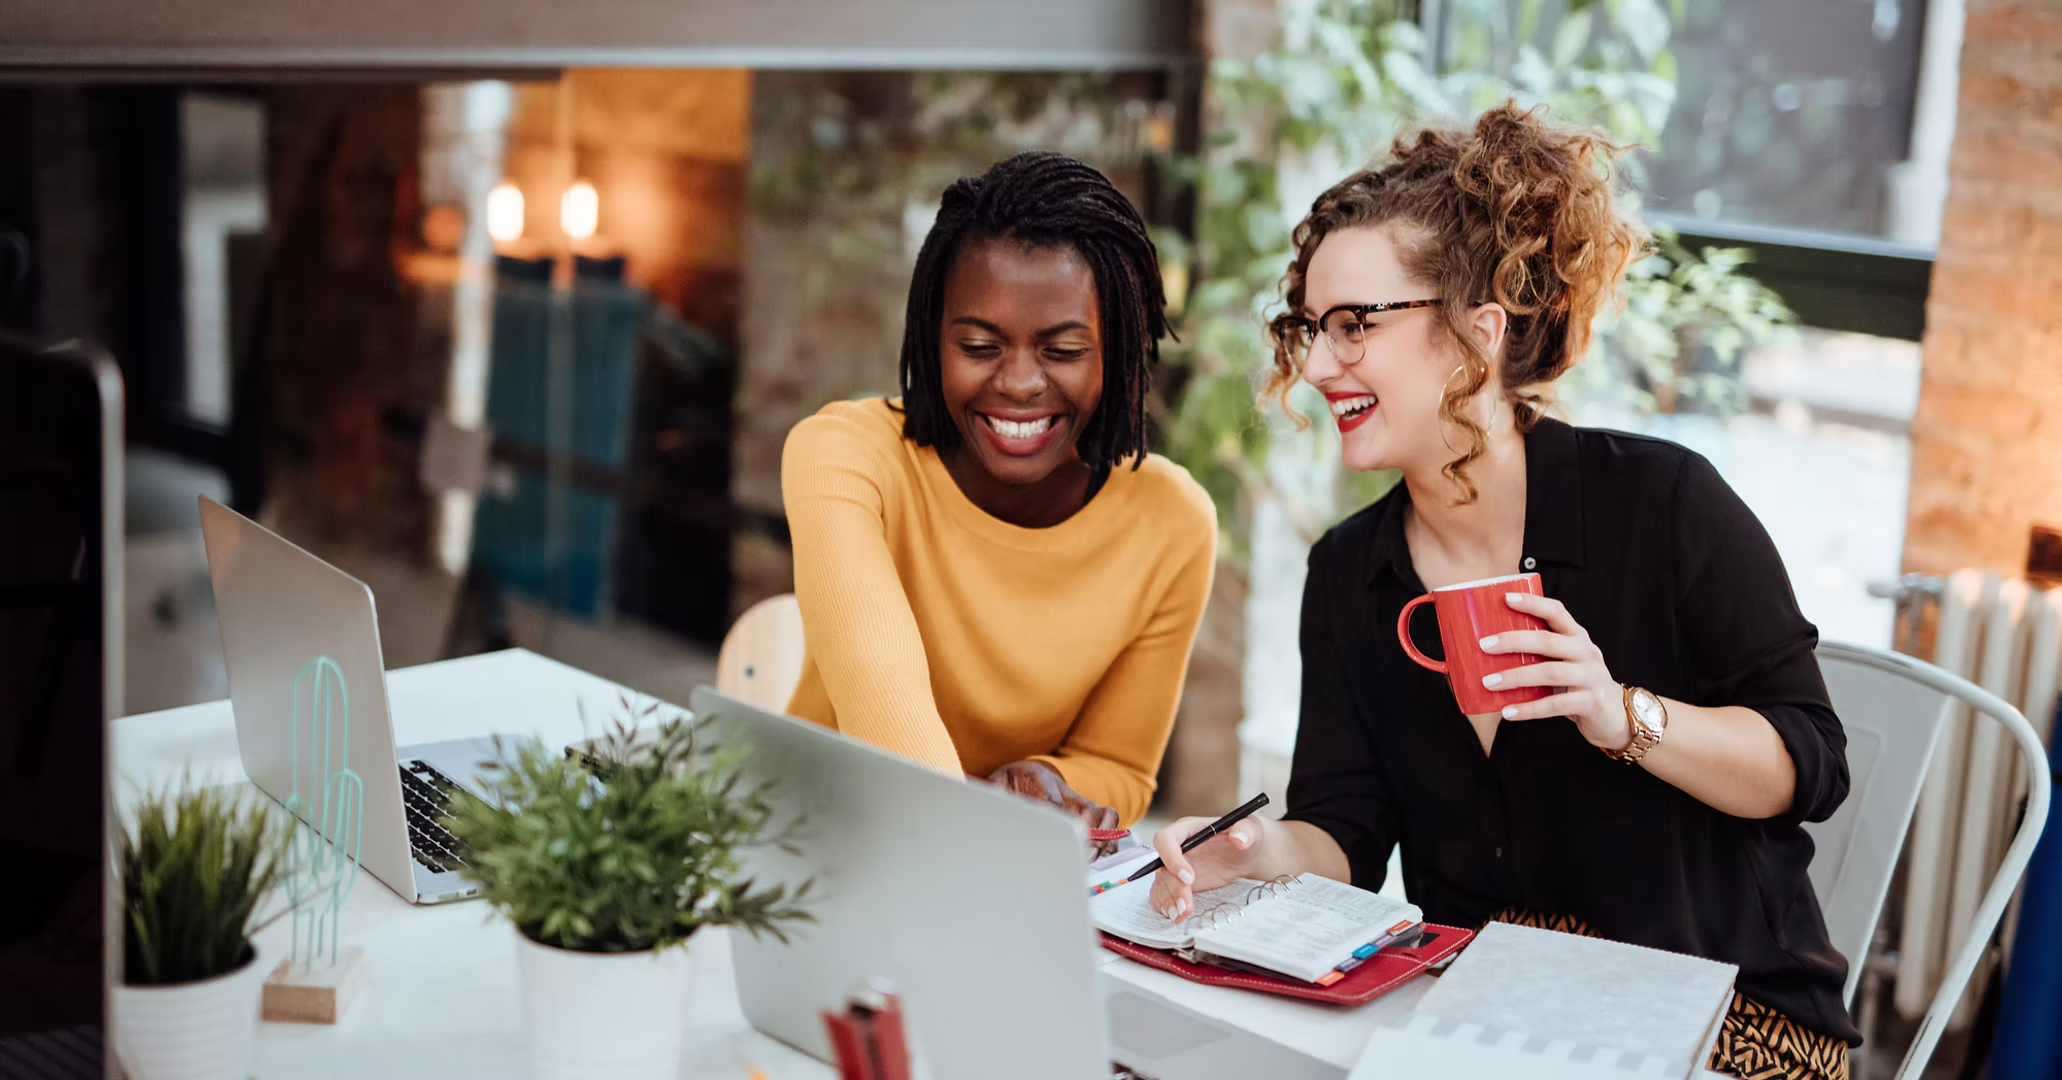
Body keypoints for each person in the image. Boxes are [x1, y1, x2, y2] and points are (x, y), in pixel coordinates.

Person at [1147, 105, 1859, 1079]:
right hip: (1491, 1015)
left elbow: (1808, 765)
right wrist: (1260, 848)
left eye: (1354, 325)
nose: (1316, 366)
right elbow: (1346, 838)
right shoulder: (1351, 577)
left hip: (1723, 1016)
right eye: (1311, 330)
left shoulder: (1662, 504)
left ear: (1475, 336)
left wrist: (1620, 716)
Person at [781, 151, 1217, 837]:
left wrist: (1051, 783)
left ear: (1122, 352)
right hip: (817, 843)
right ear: (932, 339)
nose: (1018, 383)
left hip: (996, 868)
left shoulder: (1172, 523)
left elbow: (1117, 766)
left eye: (1064, 351)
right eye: (979, 345)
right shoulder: (845, 457)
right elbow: (884, 705)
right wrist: (984, 820)